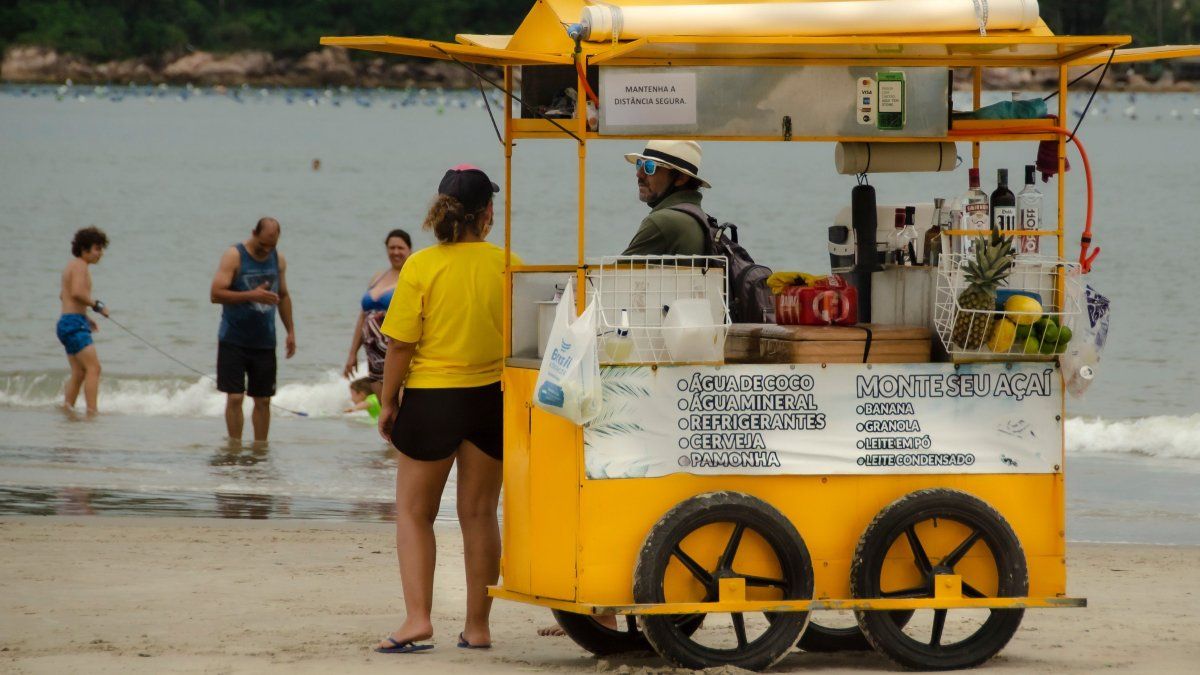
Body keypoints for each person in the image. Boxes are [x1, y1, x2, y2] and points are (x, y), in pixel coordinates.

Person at [374, 164, 518, 654]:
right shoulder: (509, 264)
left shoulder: (421, 266)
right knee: (479, 514)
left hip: (432, 400)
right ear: (487, 213)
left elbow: (400, 345)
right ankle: (477, 627)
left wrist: (388, 402)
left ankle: (418, 619)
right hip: (490, 399)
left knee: (415, 513)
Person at [209, 217, 295, 443]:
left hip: (265, 341)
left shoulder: (278, 259)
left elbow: (283, 295)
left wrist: (290, 332)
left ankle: (260, 448)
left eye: (272, 245)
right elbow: (215, 294)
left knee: (263, 400)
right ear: (253, 233)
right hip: (233, 339)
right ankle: (235, 446)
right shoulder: (234, 255)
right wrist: (251, 295)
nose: (267, 249)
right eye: (263, 244)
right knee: (235, 397)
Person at [344, 229, 413, 395]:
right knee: (383, 406)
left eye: (400, 248)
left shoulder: (411, 277)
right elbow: (363, 317)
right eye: (391, 248)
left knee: (399, 403)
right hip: (373, 356)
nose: (395, 252)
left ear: (410, 249)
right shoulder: (378, 277)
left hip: (394, 352)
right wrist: (352, 353)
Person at [620, 139, 712, 256]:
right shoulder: (699, 218)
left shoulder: (662, 221)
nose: (639, 174)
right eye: (640, 164)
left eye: (650, 167)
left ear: (681, 178)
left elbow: (617, 268)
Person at [57, 226, 110, 415]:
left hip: (68, 322)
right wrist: (98, 306)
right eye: (97, 248)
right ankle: (92, 412)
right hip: (73, 324)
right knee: (94, 368)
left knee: (79, 373)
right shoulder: (80, 266)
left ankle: (67, 408)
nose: (100, 253)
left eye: (101, 249)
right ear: (84, 248)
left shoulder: (72, 266)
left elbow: (63, 296)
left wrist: (85, 317)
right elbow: (77, 292)